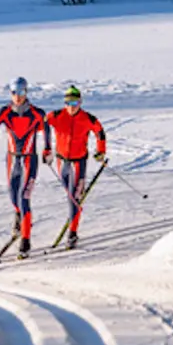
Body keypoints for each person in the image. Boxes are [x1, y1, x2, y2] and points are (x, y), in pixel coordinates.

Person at [0, 76, 50, 258]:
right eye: (14, 93)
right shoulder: (6, 112)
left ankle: (26, 241)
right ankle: (19, 219)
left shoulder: (36, 113)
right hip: (12, 160)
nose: (18, 96)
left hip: (29, 160)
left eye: (21, 92)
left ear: (26, 92)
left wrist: (47, 149)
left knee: (24, 198)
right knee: (14, 198)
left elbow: (47, 128)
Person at [44, 85, 107, 250]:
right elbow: (41, 123)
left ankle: (72, 232)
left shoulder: (87, 118)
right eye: (69, 102)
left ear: (80, 102)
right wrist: (46, 148)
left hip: (79, 161)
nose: (72, 106)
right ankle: (73, 215)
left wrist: (100, 151)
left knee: (75, 198)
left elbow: (100, 132)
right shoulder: (57, 116)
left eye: (75, 102)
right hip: (62, 161)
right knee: (69, 194)